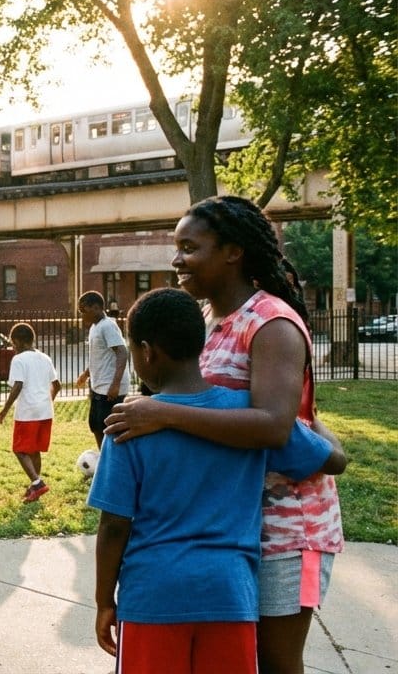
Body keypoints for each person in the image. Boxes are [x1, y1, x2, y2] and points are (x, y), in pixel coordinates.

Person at [106, 195, 346, 674]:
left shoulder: (271, 322)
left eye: (190, 248)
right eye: (177, 248)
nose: (177, 260)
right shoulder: (207, 320)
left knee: (276, 663)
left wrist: (165, 415)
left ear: (232, 251)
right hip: (226, 526)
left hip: (286, 527)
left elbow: (276, 425)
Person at [0, 323, 61, 503]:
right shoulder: (45, 358)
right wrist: (47, 401)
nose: (12, 347)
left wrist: (4, 409)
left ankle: (37, 483)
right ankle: (35, 488)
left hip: (28, 412)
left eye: (12, 343)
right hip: (45, 412)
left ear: (16, 341)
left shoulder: (19, 360)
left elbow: (18, 386)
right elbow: (57, 385)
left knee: (19, 449)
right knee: (34, 450)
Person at [75, 291, 130, 446]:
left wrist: (115, 384)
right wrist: (86, 374)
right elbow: (98, 356)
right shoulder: (95, 327)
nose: (82, 315)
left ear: (96, 307)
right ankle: (104, 459)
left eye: (83, 310)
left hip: (110, 388)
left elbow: (122, 352)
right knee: (95, 425)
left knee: (109, 429)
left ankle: (113, 463)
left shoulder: (107, 325)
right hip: (98, 386)